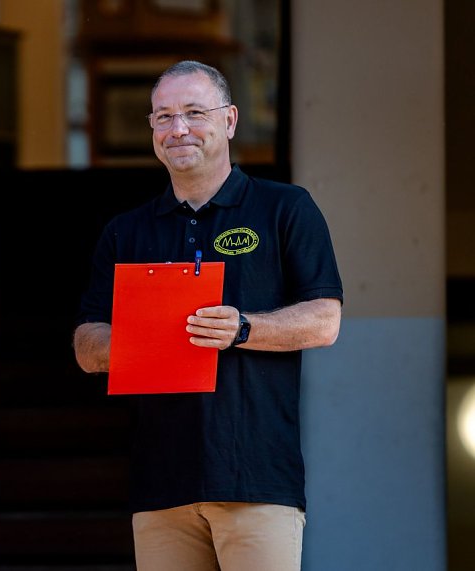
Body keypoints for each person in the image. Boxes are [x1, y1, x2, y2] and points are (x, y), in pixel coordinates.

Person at [73, 60, 343, 571]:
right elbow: (88, 345)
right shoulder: (125, 232)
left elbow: (325, 320)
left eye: (195, 113)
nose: (178, 129)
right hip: (160, 486)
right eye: (163, 117)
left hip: (258, 479)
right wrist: (140, 338)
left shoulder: (285, 208)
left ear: (230, 121)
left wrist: (242, 328)